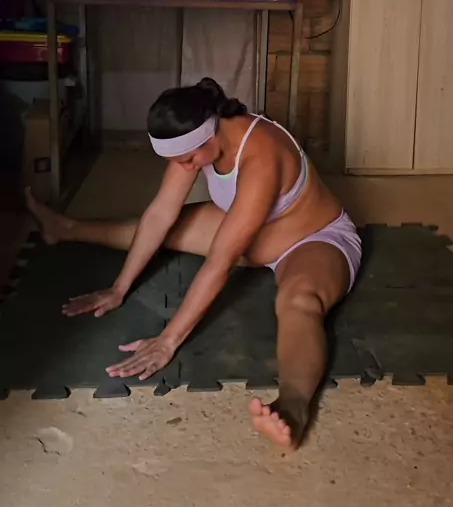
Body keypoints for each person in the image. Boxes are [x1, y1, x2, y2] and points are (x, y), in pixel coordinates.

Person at [26, 78, 362, 451]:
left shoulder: (262, 154)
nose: (184, 167)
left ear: (210, 134)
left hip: (311, 240)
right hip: (252, 232)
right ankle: (65, 228)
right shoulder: (195, 139)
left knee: (298, 302)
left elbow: (221, 262)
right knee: (166, 228)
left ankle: (293, 407)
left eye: (188, 160)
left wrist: (168, 340)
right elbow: (159, 215)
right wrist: (118, 288)